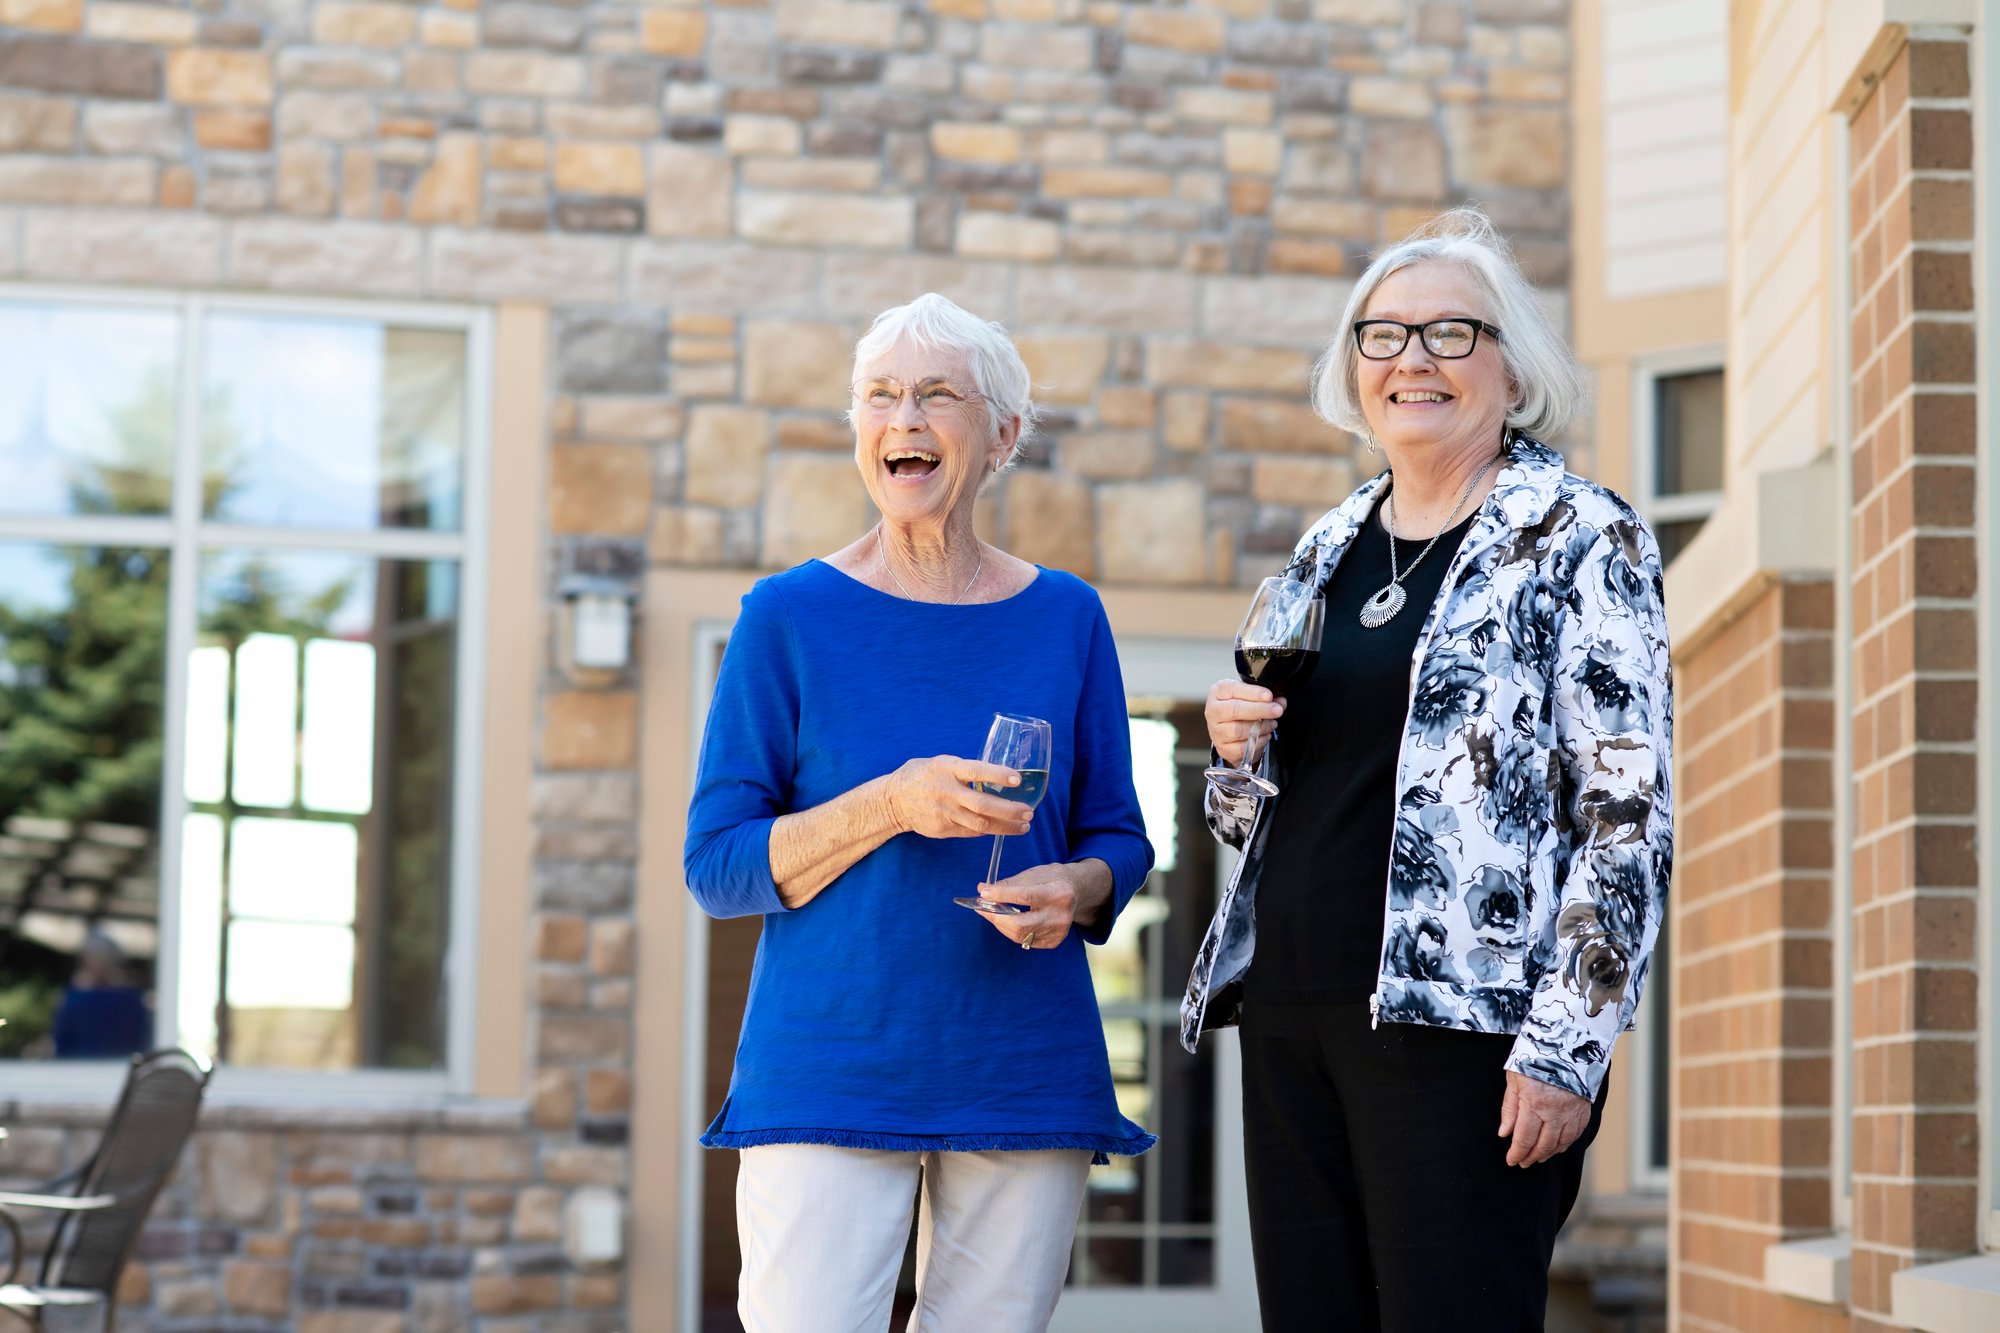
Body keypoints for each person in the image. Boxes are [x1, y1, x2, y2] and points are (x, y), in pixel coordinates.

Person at [1181, 207, 1674, 1331]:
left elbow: (1625, 813)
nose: (1412, 358)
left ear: (1513, 369)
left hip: (1463, 1031)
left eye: (1451, 333)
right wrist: (1235, 756)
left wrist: (1567, 1047)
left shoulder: (1579, 535)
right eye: (1384, 335)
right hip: (1294, 1009)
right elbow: (1263, 812)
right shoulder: (1329, 544)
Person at [685, 293, 1156, 1333]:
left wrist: (1078, 887)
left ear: (1003, 435)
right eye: (880, 395)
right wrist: (891, 802)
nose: (904, 417)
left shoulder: (1067, 617)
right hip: (830, 1063)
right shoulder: (786, 617)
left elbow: (1119, 838)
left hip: (1021, 1062)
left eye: (937, 394)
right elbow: (717, 863)